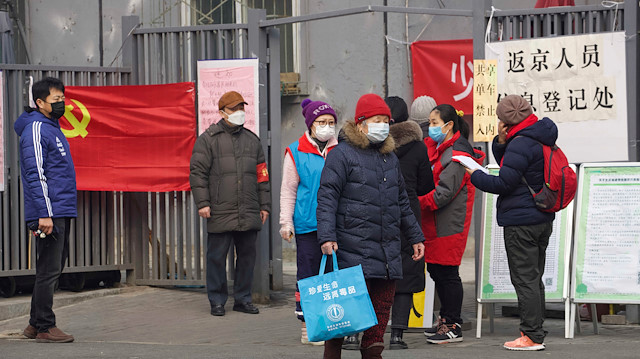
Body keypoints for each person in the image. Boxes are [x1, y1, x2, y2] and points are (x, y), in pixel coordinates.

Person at [317, 93, 425, 359]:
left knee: (377, 328)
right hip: (352, 253)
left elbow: (402, 201)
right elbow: (327, 196)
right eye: (377, 120)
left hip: (387, 254)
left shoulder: (390, 158)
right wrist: (326, 235)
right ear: (361, 124)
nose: (383, 126)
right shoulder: (341, 155)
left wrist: (415, 236)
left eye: (386, 121)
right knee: (340, 322)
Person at [467, 95, 555, 351]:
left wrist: (475, 175)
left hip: (521, 221)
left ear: (506, 121)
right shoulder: (538, 136)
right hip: (540, 216)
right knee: (533, 277)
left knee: (525, 279)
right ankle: (535, 331)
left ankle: (531, 336)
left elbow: (504, 182)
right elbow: (512, 166)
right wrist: (501, 141)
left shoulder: (521, 143)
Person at [190, 91, 271, 317]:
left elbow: (262, 176)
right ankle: (217, 300)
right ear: (222, 112)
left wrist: (264, 205)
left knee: (246, 258)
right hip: (219, 209)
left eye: (241, 109)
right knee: (217, 258)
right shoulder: (208, 139)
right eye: (234, 109)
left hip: (248, 209)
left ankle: (243, 299)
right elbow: (197, 173)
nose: (239, 113)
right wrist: (203, 203)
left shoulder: (252, 140)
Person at [15, 77, 76, 343]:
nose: (61, 103)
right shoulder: (37, 128)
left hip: (59, 208)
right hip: (49, 211)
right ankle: (44, 326)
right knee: (49, 270)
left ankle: (33, 324)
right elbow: (34, 173)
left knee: (51, 268)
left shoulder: (51, 127)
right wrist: (44, 214)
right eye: (56, 100)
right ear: (39, 103)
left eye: (63, 98)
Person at [419, 104, 485, 344]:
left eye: (434, 123)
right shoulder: (441, 149)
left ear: (448, 126)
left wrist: (416, 202)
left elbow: (442, 194)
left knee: (447, 273)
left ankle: (453, 324)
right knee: (437, 270)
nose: (430, 128)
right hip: (437, 222)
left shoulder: (456, 156)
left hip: (449, 224)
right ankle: (444, 320)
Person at [279, 98, 338, 345]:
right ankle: (309, 327)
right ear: (311, 125)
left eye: (331, 122)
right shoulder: (296, 151)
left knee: (334, 278)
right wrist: (286, 222)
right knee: (309, 276)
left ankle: (335, 323)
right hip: (308, 225)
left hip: (337, 225)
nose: (327, 126)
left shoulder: (341, 149)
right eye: (322, 122)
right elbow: (288, 190)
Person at [385, 96, 435, 350]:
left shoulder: (373, 145)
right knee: (404, 274)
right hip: (408, 216)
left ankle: (353, 336)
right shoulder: (417, 147)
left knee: (370, 273)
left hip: (377, 214)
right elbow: (427, 185)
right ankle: (397, 336)